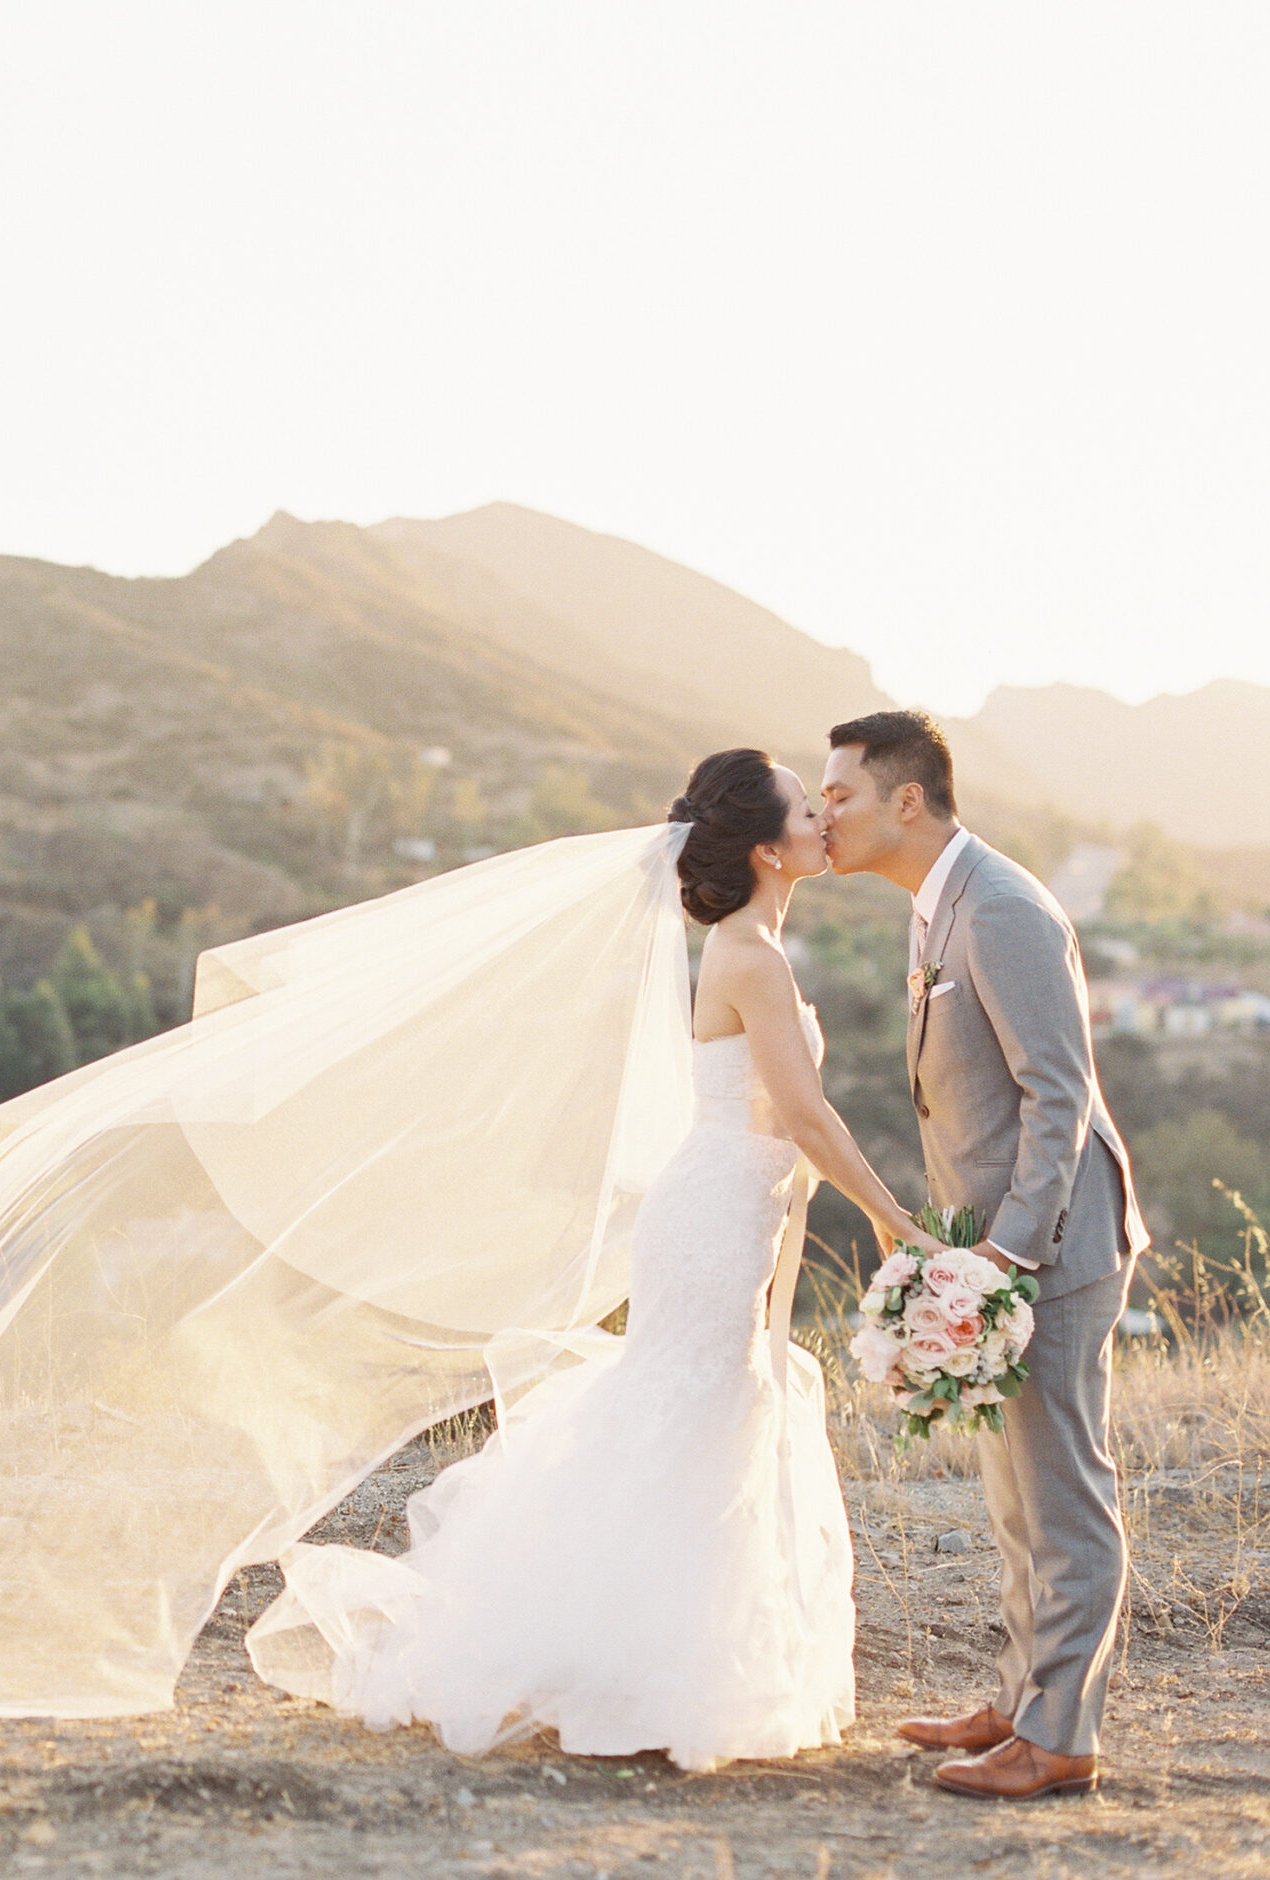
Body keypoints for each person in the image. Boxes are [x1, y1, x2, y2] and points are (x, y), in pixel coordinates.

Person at [245, 748, 937, 1770]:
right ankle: (613, 1660)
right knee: (691, 1412)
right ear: (765, 847)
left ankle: (643, 1656)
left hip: (728, 1210)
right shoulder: (751, 956)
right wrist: (894, 1220)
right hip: (709, 1217)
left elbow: (785, 1125)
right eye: (806, 807)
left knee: (698, 1411)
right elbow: (803, 1114)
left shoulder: (755, 948)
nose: (822, 821)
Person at [821, 710, 1147, 1802]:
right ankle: (1018, 1701)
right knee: (1015, 1494)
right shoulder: (935, 904)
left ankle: (1059, 1737)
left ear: (904, 800)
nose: (826, 813)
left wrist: (1002, 1255)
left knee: (1060, 1495)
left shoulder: (998, 906)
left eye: (840, 794)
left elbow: (1059, 1096)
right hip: (992, 1246)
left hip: (1051, 1245)